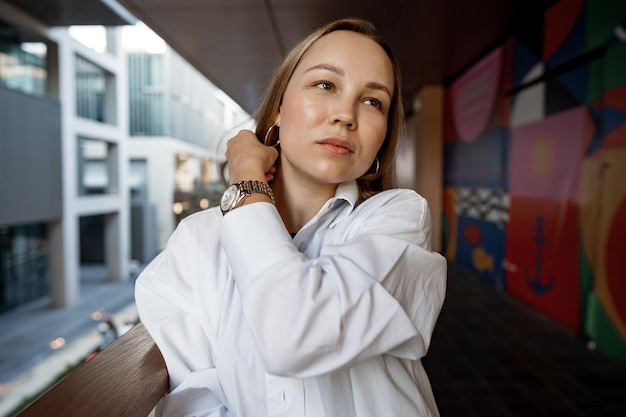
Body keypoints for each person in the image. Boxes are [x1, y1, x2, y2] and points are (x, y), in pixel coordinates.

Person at [135, 17, 447, 417]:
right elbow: (194, 403)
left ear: (384, 133)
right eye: (325, 85)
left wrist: (247, 179)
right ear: (279, 107)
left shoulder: (397, 218)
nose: (346, 115)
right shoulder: (198, 240)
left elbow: (296, 333)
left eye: (373, 101)